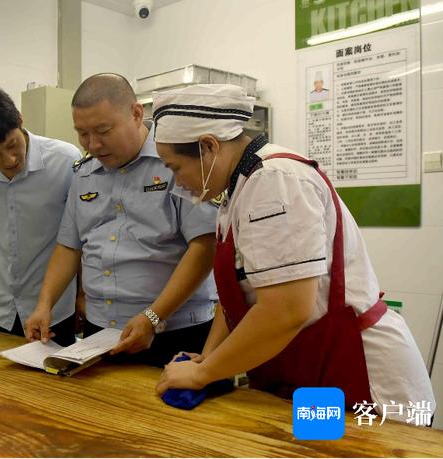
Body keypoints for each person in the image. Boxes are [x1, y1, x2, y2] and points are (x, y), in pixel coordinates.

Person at [153, 84, 435, 421]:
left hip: (358, 379)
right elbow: (237, 300)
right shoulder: (238, 189)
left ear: (208, 147)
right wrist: (208, 358)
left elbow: (286, 310)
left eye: (174, 168)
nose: (177, 182)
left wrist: (202, 374)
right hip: (310, 370)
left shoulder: (275, 181)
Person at [25, 73, 219, 368]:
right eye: (82, 133)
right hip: (100, 333)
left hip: (173, 331)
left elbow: (205, 247)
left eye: (103, 130)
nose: (93, 144)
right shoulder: (84, 173)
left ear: (136, 113)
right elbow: (69, 246)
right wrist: (44, 304)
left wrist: (153, 317)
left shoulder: (176, 162)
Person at [0, 85, 81, 346]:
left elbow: (80, 234)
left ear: (20, 120)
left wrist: (83, 294)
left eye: (13, 145)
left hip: (55, 309)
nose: (9, 159)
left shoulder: (65, 160)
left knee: (55, 385)